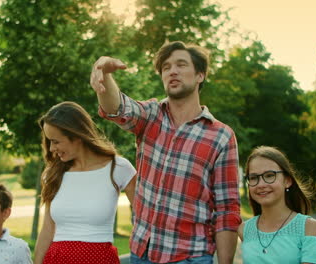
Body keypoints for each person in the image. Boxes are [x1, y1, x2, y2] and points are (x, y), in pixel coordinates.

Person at [90, 41, 241, 264]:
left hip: (190, 256)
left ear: (200, 75)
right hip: (142, 253)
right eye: (166, 67)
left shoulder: (221, 136)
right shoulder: (150, 116)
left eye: (181, 64)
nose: (173, 71)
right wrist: (105, 75)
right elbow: (116, 108)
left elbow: (227, 210)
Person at [33, 101, 137, 264]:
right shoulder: (53, 174)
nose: (52, 148)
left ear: (77, 136)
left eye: (56, 141)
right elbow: (47, 228)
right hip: (56, 259)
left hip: (100, 259)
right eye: (49, 141)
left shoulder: (118, 168)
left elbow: (144, 219)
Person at [238, 146, 316, 263]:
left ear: (287, 181)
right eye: (253, 177)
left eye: (269, 175)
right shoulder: (244, 230)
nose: (260, 184)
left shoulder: (309, 227)